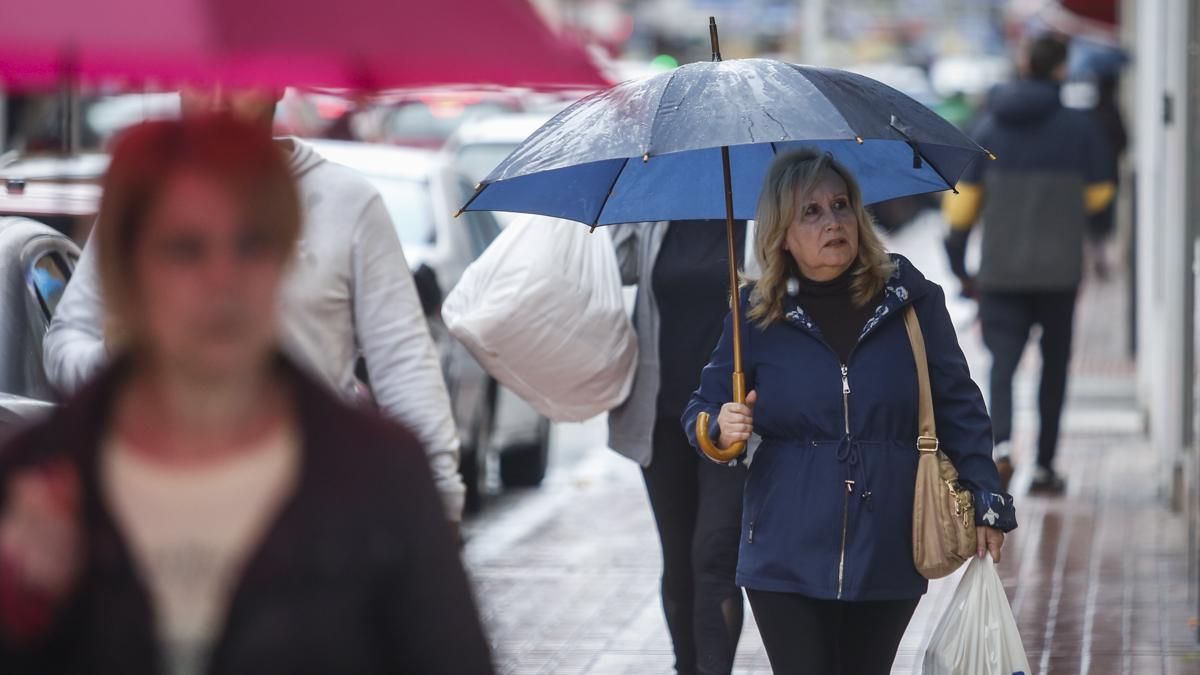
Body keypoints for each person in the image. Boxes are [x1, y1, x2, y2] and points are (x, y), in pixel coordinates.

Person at [0, 116, 494, 674]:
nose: (223, 279)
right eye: (186, 249)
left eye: (251, 245)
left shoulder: (380, 479)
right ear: (126, 271)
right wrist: (29, 611)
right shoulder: (41, 482)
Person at [43, 86, 466, 523]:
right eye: (184, 250)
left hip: (307, 512)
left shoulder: (347, 203)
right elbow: (65, 342)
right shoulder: (142, 200)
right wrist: (114, 358)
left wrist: (440, 500)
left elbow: (404, 366)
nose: (218, 98)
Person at [683, 150, 1016, 675]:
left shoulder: (909, 298)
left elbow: (960, 404)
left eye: (841, 205)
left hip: (888, 542)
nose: (833, 221)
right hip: (783, 550)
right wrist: (720, 428)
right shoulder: (756, 313)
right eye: (811, 212)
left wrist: (986, 496)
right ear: (781, 234)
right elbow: (702, 408)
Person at [942, 33, 1115, 494]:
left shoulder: (988, 127)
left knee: (1002, 364)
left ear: (1024, 64)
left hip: (1000, 273)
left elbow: (961, 208)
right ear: (1060, 69)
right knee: (1053, 369)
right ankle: (1044, 466)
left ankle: (1001, 447)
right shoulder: (1080, 127)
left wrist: (960, 268)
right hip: (1059, 273)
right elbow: (1100, 196)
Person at [609, 217, 752, 675]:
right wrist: (629, 209)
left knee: (714, 555)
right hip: (665, 413)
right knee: (678, 560)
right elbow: (615, 267)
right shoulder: (656, 214)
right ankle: (685, 667)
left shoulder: (757, 214)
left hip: (734, 420)